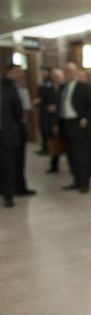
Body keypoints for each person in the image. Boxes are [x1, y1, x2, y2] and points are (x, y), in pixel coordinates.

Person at [59, 62, 91, 193]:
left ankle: (84, 183)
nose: (68, 74)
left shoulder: (84, 87)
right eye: (66, 71)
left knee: (81, 155)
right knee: (71, 155)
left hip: (79, 123)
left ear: (76, 72)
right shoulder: (62, 88)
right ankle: (76, 180)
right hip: (66, 123)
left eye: (71, 71)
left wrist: (86, 119)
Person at [1, 64, 25, 208]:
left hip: (7, 134)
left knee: (8, 165)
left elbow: (18, 112)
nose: (20, 74)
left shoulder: (10, 89)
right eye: (18, 72)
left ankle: (9, 195)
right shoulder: (6, 87)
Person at [45, 68, 65, 173]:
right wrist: (48, 107)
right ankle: (54, 165)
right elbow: (43, 102)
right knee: (54, 143)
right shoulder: (48, 88)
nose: (56, 79)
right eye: (54, 77)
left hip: (64, 119)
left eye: (58, 77)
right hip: (52, 119)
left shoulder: (65, 88)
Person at [35, 66, 53, 155]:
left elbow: (48, 97)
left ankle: (48, 149)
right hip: (42, 109)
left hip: (47, 110)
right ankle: (44, 147)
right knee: (42, 129)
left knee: (46, 130)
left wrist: (41, 101)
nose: (42, 73)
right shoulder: (43, 82)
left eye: (44, 71)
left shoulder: (49, 83)